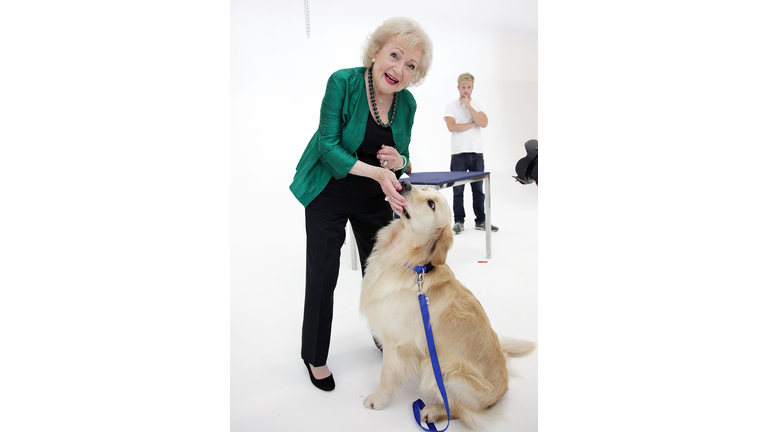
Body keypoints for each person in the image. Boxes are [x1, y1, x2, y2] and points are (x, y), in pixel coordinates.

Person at [289, 17, 433, 391]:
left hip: (373, 198)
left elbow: (405, 158)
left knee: (384, 273)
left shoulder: (408, 104)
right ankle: (314, 354)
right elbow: (328, 147)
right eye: (395, 55)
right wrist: (378, 173)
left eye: (411, 65)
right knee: (324, 274)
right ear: (376, 51)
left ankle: (383, 335)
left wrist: (399, 164)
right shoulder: (344, 82)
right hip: (329, 191)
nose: (399, 69)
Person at [444, 72, 499, 234]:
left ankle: (481, 221)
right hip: (458, 153)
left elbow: (484, 123)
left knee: (478, 189)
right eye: (463, 87)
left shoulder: (478, 104)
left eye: (468, 87)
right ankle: (459, 222)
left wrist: (469, 106)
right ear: (458, 87)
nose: (466, 90)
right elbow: (452, 127)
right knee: (458, 190)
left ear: (472, 87)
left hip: (476, 153)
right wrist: (472, 122)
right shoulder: (451, 106)